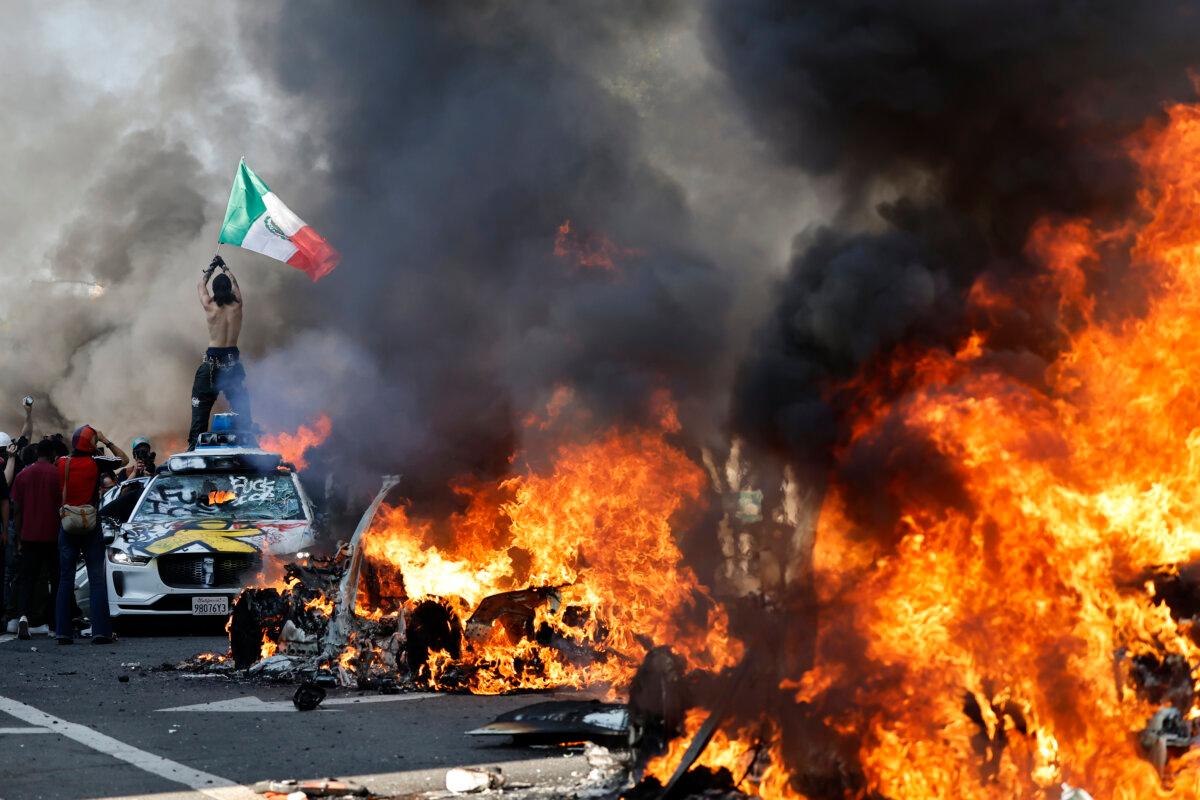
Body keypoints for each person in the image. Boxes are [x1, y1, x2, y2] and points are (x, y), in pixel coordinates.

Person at [55, 425, 126, 645]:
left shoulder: (62, 463)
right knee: (97, 578)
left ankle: (63, 632)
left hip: (67, 524)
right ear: (92, 444)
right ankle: (101, 631)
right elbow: (123, 460)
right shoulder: (97, 462)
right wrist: (106, 441)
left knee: (65, 579)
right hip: (90, 524)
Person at [189, 255, 251, 448]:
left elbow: (201, 285)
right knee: (241, 406)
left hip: (211, 366)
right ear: (229, 290)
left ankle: (194, 446)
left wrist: (212, 267)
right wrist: (225, 267)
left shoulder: (210, 306)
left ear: (215, 290)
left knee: (200, 408)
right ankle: (249, 441)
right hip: (232, 365)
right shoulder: (237, 305)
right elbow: (235, 284)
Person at [10, 439, 61, 638]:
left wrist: (19, 536)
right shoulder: (58, 474)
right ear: (53, 455)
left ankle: (23, 617)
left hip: (29, 535)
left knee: (27, 579)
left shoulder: (23, 475)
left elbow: (16, 509)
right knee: (55, 579)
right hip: (53, 536)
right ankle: (54, 623)